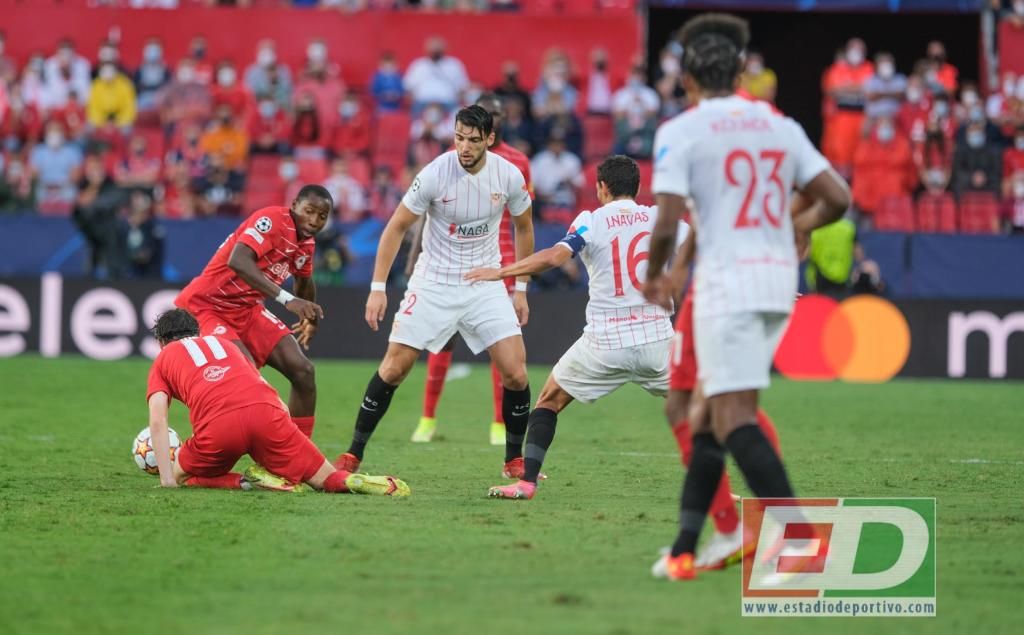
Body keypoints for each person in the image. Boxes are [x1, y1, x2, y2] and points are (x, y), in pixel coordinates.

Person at [643, 13, 851, 581]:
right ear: (740, 73)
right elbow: (836, 197)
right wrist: (789, 220)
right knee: (706, 416)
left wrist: (656, 274)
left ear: (686, 79)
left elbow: (666, 220)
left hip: (727, 284)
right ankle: (686, 547)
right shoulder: (777, 124)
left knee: (732, 418)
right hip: (777, 282)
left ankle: (806, 541)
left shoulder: (682, 130)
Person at [465, 156, 687, 499]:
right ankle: (717, 488)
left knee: (548, 401)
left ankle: (526, 483)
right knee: (702, 408)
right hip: (657, 337)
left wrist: (501, 272)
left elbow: (555, 257)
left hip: (605, 341)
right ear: (639, 188)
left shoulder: (591, 221)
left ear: (601, 188)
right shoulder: (661, 218)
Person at [333, 105, 534, 480]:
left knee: (516, 373)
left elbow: (524, 227)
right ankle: (352, 453)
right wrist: (378, 288)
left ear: (490, 139)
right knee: (394, 368)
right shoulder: (434, 175)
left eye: (473, 140)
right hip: (434, 281)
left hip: (484, 283)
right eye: (459, 138)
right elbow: (395, 228)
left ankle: (513, 461)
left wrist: (520, 287)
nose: (465, 147)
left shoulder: (508, 175)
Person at [145, 308, 409, 496]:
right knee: (325, 478)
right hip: (268, 413)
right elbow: (261, 384)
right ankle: (361, 482)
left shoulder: (163, 359)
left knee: (183, 474)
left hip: (220, 429)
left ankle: (247, 482)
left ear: (161, 342)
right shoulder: (225, 343)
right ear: (197, 331)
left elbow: (158, 421)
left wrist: (168, 480)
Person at [408, 93, 535, 447]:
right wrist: (414, 255)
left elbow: (524, 221)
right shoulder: (450, 161)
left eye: (496, 113)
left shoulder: (517, 163)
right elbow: (432, 213)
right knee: (442, 341)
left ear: (496, 125)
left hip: (501, 261)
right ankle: (427, 419)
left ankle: (498, 424)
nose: (492, 117)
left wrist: (520, 275)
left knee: (502, 346)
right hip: (451, 259)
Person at [174, 185, 333, 440]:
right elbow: (237, 260)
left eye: (322, 216)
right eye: (309, 211)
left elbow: (303, 280)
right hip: (208, 306)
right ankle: (205, 450)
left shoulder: (306, 243)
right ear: (294, 205)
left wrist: (309, 317)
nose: (314, 221)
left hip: (247, 309)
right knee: (246, 377)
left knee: (303, 371)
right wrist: (287, 299)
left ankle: (298, 452)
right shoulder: (271, 220)